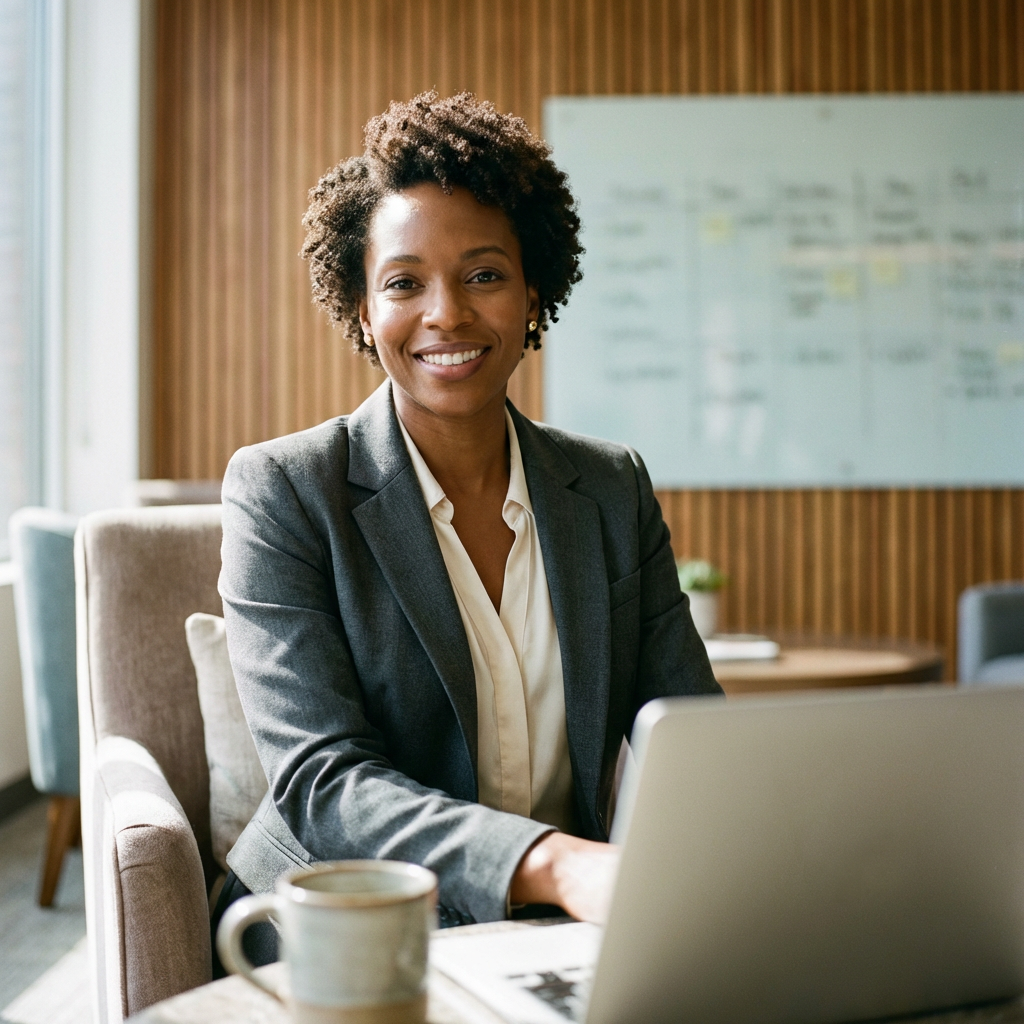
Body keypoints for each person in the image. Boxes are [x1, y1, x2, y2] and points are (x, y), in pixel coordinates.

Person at [212, 91, 720, 968]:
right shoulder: (285, 490)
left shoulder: (610, 486)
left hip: (557, 933)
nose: (445, 313)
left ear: (533, 294)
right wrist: (552, 862)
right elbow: (322, 781)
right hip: (347, 922)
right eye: (404, 283)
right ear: (365, 314)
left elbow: (692, 731)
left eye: (483, 274)